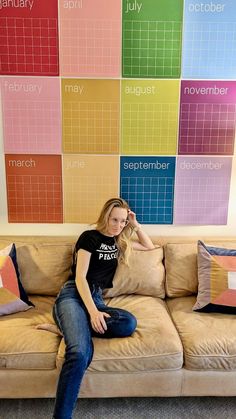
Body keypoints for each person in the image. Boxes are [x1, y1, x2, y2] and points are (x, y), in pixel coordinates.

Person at [52, 197, 155, 419]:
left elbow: (149, 246)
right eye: (114, 219)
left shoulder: (120, 242)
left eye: (122, 221)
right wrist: (93, 312)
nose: (118, 225)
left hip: (97, 296)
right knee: (78, 353)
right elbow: (80, 278)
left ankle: (70, 326)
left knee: (128, 323)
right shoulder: (89, 238)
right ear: (105, 217)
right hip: (73, 294)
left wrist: (135, 225)